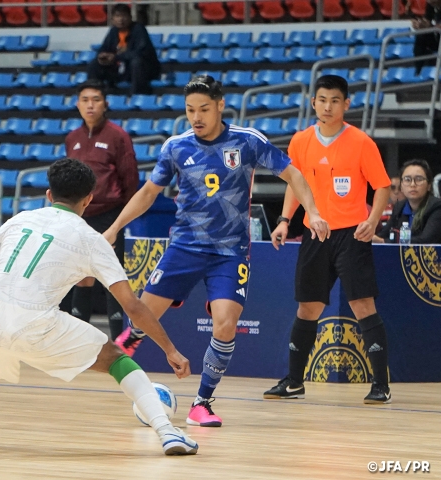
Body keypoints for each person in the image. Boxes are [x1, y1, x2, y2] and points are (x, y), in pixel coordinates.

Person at [0, 159, 198, 456]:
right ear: (88, 199)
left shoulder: (20, 220)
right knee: (117, 360)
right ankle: (167, 432)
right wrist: (170, 349)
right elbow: (132, 305)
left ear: (49, 195)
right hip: (35, 321)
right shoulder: (91, 240)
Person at [103, 75, 330, 427]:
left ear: (221, 105)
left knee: (225, 324)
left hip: (230, 252)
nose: (196, 117)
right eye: (190, 110)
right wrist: (115, 228)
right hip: (184, 248)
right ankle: (135, 332)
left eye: (204, 109)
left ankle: (202, 403)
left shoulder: (247, 141)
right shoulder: (176, 146)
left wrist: (312, 212)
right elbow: (149, 192)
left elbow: (295, 176)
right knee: (144, 315)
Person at [263, 75, 393, 404]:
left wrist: (372, 219)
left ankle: (381, 385)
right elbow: (295, 184)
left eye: (334, 100)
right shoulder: (300, 141)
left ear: (346, 105)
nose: (327, 106)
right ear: (313, 103)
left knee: (363, 305)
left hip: (352, 234)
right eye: (322, 99)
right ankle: (294, 381)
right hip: (314, 233)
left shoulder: (362, 142)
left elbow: (382, 186)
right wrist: (283, 221)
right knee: (308, 307)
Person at [65, 80, 139, 340]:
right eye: (85, 99)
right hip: (80, 218)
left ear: (105, 104)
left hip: (110, 217)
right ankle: (76, 340)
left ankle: (120, 341)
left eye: (95, 99)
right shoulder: (72, 139)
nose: (90, 105)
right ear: (78, 104)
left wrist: (121, 222)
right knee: (81, 277)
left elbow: (130, 181)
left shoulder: (118, 136)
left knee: (113, 279)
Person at [87, 3, 161, 95]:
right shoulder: (113, 31)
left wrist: (116, 57)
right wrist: (102, 56)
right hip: (119, 69)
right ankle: (95, 93)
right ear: (112, 19)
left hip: (140, 70)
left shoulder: (139, 29)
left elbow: (141, 52)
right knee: (94, 64)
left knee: (136, 62)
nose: (121, 19)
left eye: (124, 16)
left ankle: (138, 94)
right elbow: (104, 48)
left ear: (130, 17)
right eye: (117, 16)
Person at [374, 159, 441, 244]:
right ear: (401, 186)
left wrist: (385, 241)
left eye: (419, 179)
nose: (412, 184)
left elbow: (426, 240)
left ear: (429, 185)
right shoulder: (399, 207)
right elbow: (383, 234)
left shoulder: (437, 207)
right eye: (407, 179)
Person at [410, 0, 441, 74]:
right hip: (438, 38)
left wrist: (430, 27)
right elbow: (427, 19)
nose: (432, 3)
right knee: (421, 36)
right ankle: (418, 71)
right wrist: (420, 24)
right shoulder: (431, 5)